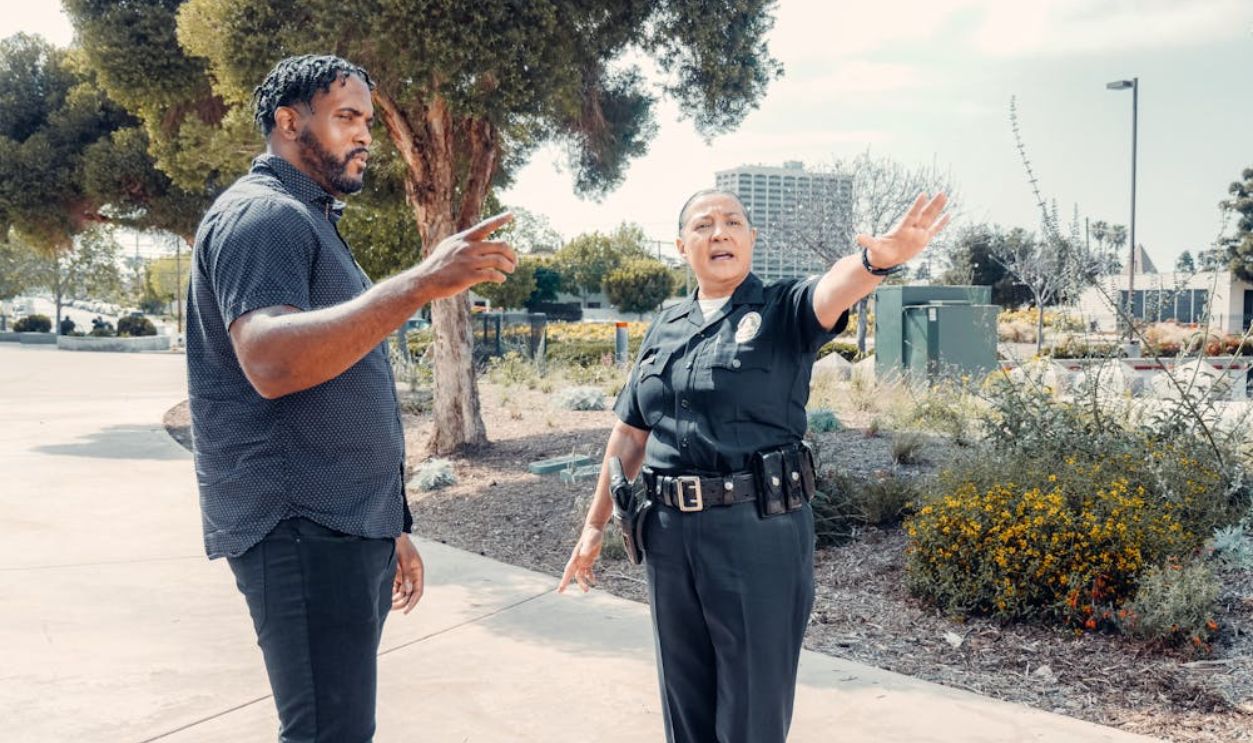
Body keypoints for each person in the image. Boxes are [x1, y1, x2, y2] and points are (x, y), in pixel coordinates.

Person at [185, 54, 516, 742]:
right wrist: (419, 284)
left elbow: (337, 379)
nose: (364, 134)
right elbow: (271, 359)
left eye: (366, 119)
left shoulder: (308, 218)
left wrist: (386, 522)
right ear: (288, 121)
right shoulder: (263, 217)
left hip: (338, 525)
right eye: (345, 117)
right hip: (300, 525)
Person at [559, 188, 949, 743]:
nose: (719, 232)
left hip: (756, 533)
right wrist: (595, 526)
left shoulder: (783, 310)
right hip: (667, 534)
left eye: (732, 222)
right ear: (681, 245)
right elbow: (628, 434)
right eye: (703, 225)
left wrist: (877, 260)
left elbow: (835, 287)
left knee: (749, 714)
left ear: (750, 240)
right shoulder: (665, 325)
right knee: (684, 699)